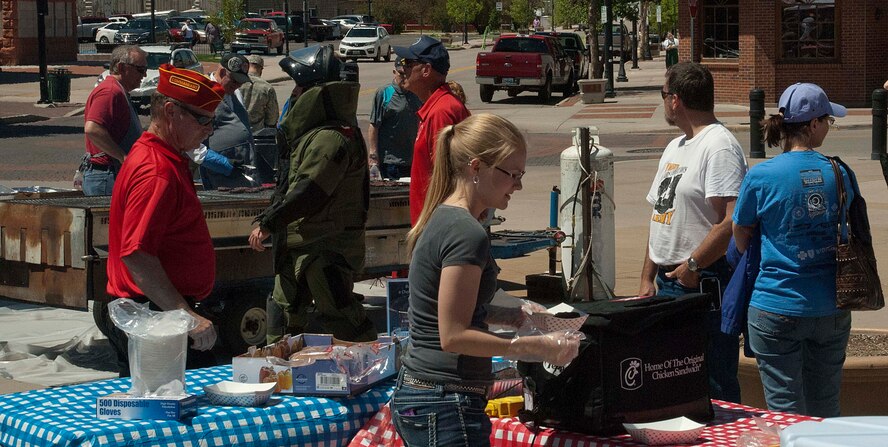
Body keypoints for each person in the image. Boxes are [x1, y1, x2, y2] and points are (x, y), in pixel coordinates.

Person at [391, 113, 580, 446]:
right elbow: (453, 335)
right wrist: (530, 347)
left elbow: (448, 310)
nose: (518, 185)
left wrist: (517, 315)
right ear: (476, 168)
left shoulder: (445, 218)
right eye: (512, 174)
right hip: (445, 398)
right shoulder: (467, 233)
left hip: (427, 393)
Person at [94, 64, 225, 377]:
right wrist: (187, 317)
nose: (209, 129)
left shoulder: (159, 157)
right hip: (154, 317)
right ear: (171, 111)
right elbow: (137, 254)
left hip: (155, 313)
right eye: (203, 119)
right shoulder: (157, 169)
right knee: (169, 415)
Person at [733, 83, 851, 417]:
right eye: (827, 120)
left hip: (775, 305)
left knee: (784, 410)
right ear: (813, 124)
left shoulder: (762, 175)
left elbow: (740, 233)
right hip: (830, 304)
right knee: (825, 407)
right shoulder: (839, 172)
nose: (829, 126)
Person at [248, 45, 377, 344]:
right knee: (282, 313)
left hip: (324, 248)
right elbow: (291, 185)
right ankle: (279, 370)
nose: (293, 94)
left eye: (298, 87)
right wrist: (269, 217)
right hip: (303, 242)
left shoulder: (330, 138)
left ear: (314, 91)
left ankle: (374, 368)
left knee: (341, 314)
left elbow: (310, 190)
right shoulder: (317, 134)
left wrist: (270, 222)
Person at [638, 61, 748, 403]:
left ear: (676, 101)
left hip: (703, 284)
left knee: (713, 385)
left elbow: (732, 220)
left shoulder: (720, 146)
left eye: (663, 95)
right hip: (668, 284)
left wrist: (693, 267)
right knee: (672, 382)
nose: (663, 103)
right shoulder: (676, 147)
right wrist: (647, 277)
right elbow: (661, 215)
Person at [393, 35, 470, 224]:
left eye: (409, 63)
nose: (403, 69)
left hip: (436, 226)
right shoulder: (436, 107)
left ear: (426, 70)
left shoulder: (441, 112)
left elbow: (446, 178)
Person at [81, 45, 147, 196]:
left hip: (111, 174)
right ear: (122, 67)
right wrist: (122, 157)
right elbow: (92, 129)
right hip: (107, 176)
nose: (144, 75)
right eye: (140, 69)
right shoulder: (110, 91)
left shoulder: (117, 90)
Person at [201, 53, 257, 189]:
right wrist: (222, 163)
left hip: (243, 170)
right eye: (234, 81)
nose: (238, 85)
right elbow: (191, 145)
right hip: (220, 175)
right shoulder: (203, 94)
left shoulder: (234, 91)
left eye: (241, 82)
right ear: (222, 72)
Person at [367, 58, 422, 181]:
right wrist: (373, 155)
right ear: (394, 72)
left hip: (413, 160)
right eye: (401, 74)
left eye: (407, 74)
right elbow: (374, 125)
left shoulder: (417, 94)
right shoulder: (384, 93)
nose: (404, 77)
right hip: (391, 161)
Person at [240, 54, 280, 133]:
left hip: (237, 129)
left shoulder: (237, 83)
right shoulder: (267, 87)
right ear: (261, 69)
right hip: (257, 132)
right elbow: (272, 116)